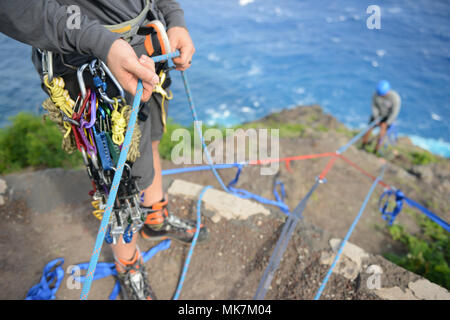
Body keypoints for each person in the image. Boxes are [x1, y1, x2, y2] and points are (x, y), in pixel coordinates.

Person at [0, 0, 208, 300]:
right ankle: (127, 263)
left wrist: (174, 19)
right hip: (89, 64)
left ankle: (154, 216)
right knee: (116, 178)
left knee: (151, 135)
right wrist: (100, 41)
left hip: (147, 44)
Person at [362, 80, 401, 154]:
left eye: (382, 94)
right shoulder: (376, 94)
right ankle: (363, 145)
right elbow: (374, 106)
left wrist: (387, 123)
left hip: (387, 118)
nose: (381, 96)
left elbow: (394, 112)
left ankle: (375, 151)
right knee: (368, 129)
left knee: (381, 134)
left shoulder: (395, 98)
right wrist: (376, 117)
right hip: (377, 115)